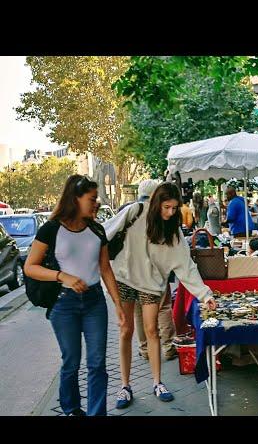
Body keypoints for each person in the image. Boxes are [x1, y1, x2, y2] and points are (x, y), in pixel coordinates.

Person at [104, 182, 216, 409]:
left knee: (152, 330)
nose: (170, 213)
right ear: (156, 203)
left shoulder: (172, 231)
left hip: (152, 284)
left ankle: (157, 382)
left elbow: (186, 265)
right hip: (124, 278)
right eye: (166, 207)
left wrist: (205, 295)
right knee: (126, 331)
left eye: (174, 208)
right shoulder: (135, 211)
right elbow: (105, 232)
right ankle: (125, 386)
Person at [24, 175, 126, 416]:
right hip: (64, 303)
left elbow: (105, 269)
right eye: (91, 199)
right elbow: (30, 267)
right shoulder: (51, 229)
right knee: (71, 361)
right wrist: (62, 277)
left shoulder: (97, 229)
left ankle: (96, 413)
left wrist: (118, 305)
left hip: (94, 302)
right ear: (75, 199)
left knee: (97, 363)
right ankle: (71, 408)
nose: (96, 204)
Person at [118, 180, 178, 362]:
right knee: (164, 308)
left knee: (138, 311)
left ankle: (145, 349)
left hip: (132, 273)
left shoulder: (128, 210)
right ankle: (168, 347)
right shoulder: (159, 213)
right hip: (157, 271)